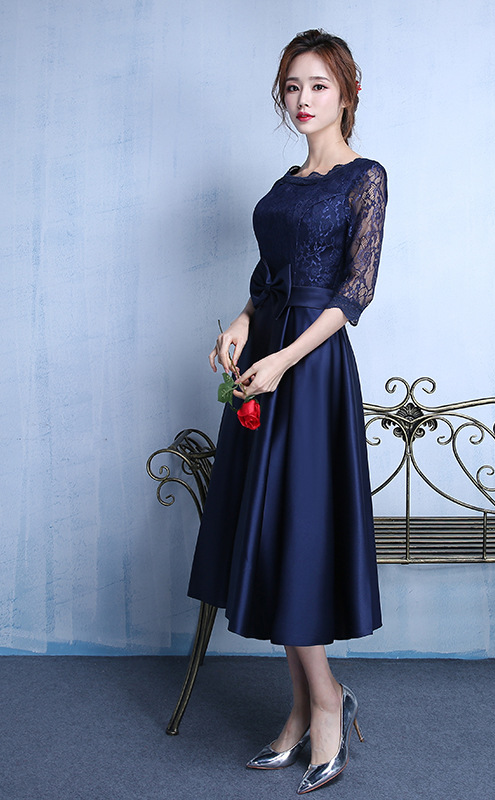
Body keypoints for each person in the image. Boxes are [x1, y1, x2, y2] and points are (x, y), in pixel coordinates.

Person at [187, 28, 387, 795]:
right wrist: (243, 323)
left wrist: (283, 358)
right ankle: (306, 706)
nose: (303, 100)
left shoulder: (364, 178)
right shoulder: (287, 181)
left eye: (318, 86)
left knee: (298, 531)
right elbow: (269, 272)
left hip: (309, 366)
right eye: (293, 87)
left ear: (349, 93)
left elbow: (354, 293)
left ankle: (325, 705)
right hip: (265, 356)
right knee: (268, 531)